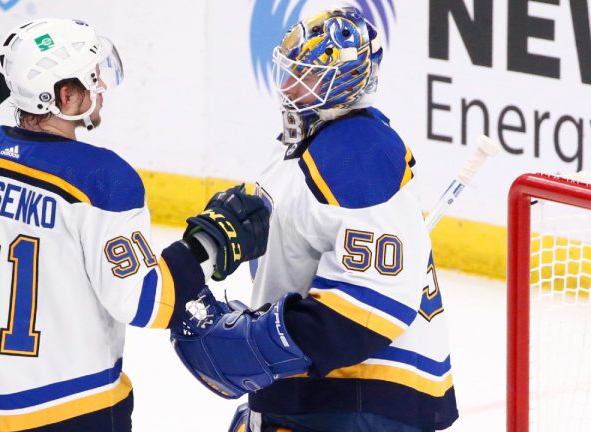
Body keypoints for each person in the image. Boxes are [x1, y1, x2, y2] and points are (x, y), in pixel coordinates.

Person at [0, 18, 269, 432]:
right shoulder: (101, 181)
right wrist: (207, 245)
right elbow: (146, 301)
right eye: (93, 78)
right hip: (65, 415)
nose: (102, 87)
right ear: (64, 95)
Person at [170, 7, 458, 431]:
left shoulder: (358, 155)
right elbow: (298, 231)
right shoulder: (307, 138)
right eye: (288, 71)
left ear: (345, 83)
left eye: (305, 75)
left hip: (366, 399)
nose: (288, 84)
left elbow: (369, 310)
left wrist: (258, 350)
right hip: (326, 397)